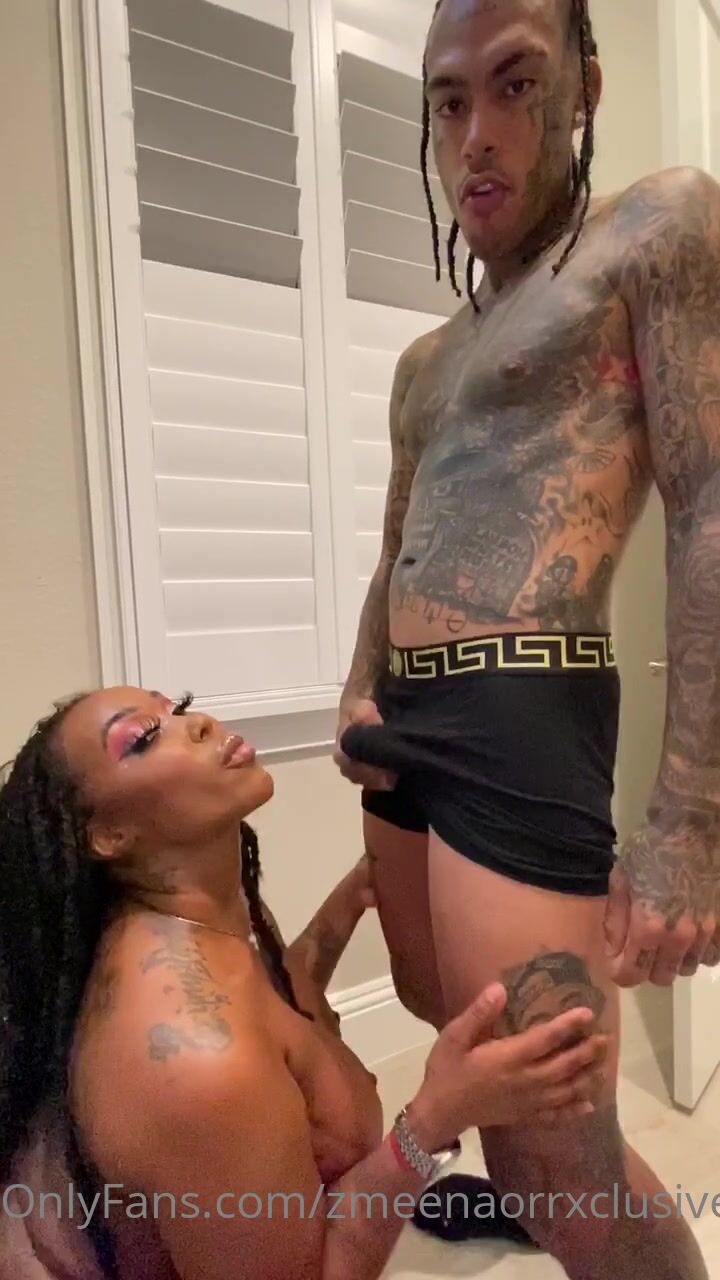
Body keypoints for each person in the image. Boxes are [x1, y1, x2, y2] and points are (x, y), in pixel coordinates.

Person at [334, 0, 720, 1275]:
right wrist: (359, 683)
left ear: (585, 90)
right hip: (406, 724)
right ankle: (519, 1193)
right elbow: (399, 544)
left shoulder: (656, 230)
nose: (477, 137)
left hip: (523, 711)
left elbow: (711, 507)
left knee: (558, 1152)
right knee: (446, 1013)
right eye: (449, 101)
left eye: (516, 85)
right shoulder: (425, 360)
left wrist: (691, 813)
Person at [0, 687, 608, 1280]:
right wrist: (434, 1121)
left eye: (178, 707)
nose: (199, 722)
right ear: (107, 834)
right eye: (145, 738)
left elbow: (272, 1008)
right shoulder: (197, 1061)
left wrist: (350, 902)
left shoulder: (202, 922)